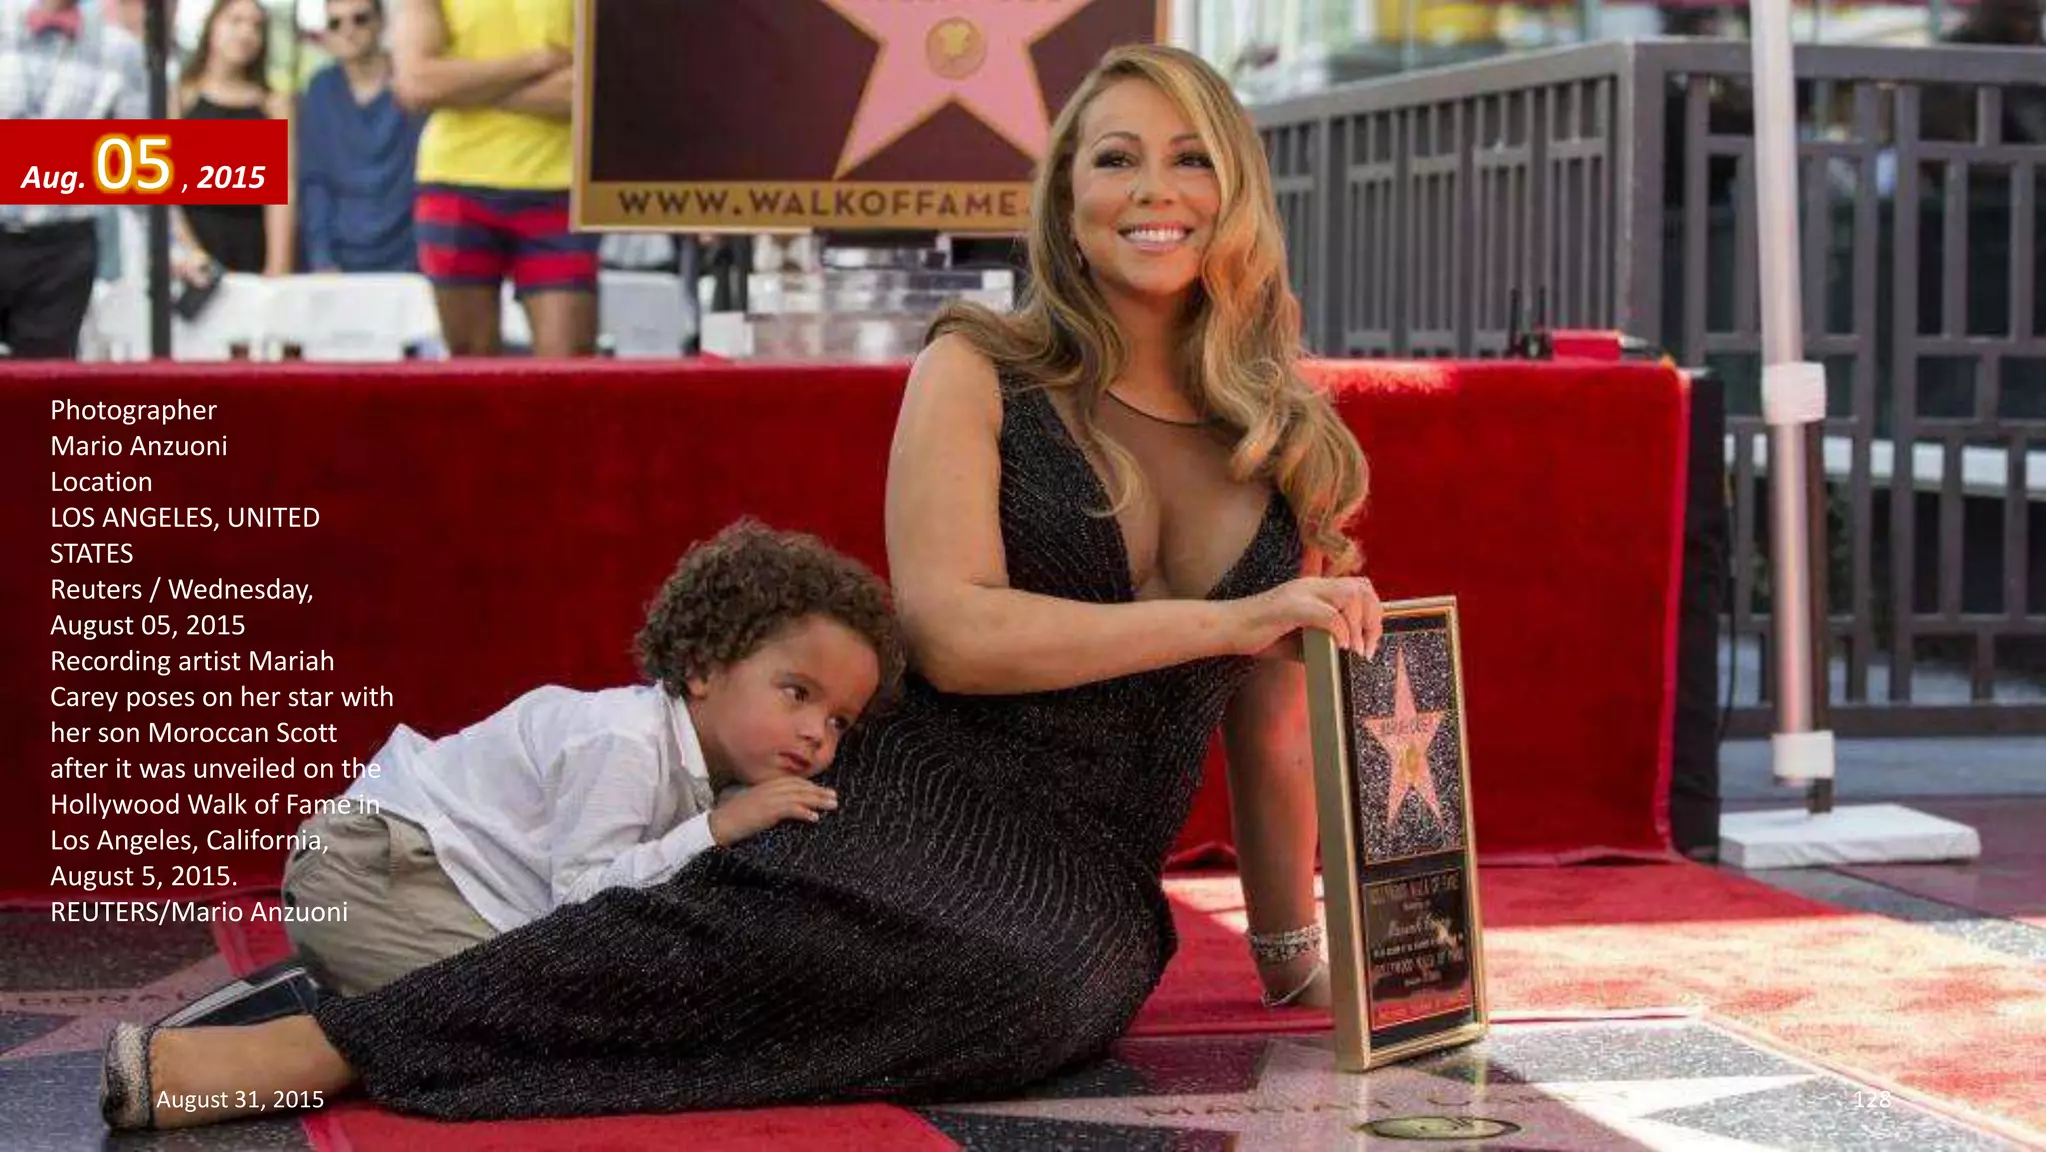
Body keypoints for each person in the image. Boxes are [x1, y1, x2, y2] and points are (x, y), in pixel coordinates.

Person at [100, 43, 1382, 1130]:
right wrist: (1230, 617)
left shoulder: (1287, 439)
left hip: (1092, 873)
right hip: (925, 786)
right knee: (769, 907)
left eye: (1188, 156)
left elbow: (1269, 724)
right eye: (1113, 157)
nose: (1152, 190)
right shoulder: (978, 365)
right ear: (1066, 195)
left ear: (1237, 190)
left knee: (1045, 992)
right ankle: (322, 1051)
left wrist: (1289, 960)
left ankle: (423, 1010)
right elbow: (956, 632)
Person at [145, 519, 902, 1038]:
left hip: (445, 887)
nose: (816, 732)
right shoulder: (626, 744)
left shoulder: (713, 769)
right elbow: (583, 899)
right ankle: (299, 1014)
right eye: (797, 693)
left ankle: (356, 995)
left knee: (576, 1000)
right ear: (703, 669)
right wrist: (714, 830)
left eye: (839, 721)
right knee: (528, 1016)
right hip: (374, 870)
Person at [393, 0, 595, 356]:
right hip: (455, 183)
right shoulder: (297, 96)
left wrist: (465, 89)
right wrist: (538, 61)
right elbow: (418, 85)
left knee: (570, 371)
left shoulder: (277, 104)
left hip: (558, 186)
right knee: (469, 365)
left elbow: (591, 88)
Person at [0, 0, 147, 358]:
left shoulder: (119, 51)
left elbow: (138, 163)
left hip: (63, 246)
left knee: (42, 386)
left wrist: (171, 245)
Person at [172, 0, 294, 284]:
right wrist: (190, 251)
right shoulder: (181, 97)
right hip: (194, 249)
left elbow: (282, 191)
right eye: (235, 21)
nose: (246, 33)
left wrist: (277, 267)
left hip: (252, 247)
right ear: (212, 26)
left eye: (256, 26)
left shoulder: (273, 105)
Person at [298, 0, 425, 273]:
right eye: (336, 23)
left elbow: (427, 178)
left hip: (411, 261)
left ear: (381, 22)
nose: (348, 30)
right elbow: (314, 181)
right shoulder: (319, 88)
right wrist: (322, 258)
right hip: (339, 264)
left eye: (360, 19)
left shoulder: (412, 83)